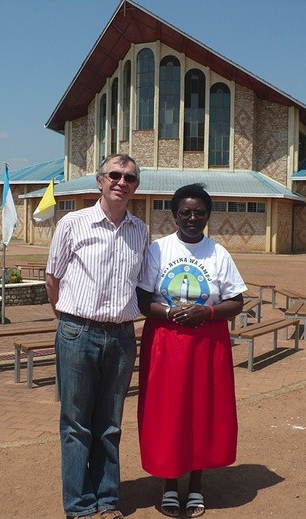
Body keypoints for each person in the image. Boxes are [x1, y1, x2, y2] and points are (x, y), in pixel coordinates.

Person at [45, 153, 148, 519]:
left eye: (130, 178)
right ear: (99, 181)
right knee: (75, 422)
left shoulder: (140, 230)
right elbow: (52, 278)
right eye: (115, 175)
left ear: (136, 187)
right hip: (78, 331)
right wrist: (68, 320)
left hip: (121, 336)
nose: (122, 182)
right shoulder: (73, 223)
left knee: (110, 422)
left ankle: (107, 499)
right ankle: (80, 506)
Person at [136, 183, 247, 518]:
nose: (192, 218)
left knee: (202, 412)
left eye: (199, 212)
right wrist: (170, 312)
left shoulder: (218, 253)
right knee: (169, 412)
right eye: (185, 212)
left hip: (207, 344)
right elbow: (143, 301)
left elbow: (237, 301)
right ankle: (170, 484)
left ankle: (196, 485)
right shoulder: (158, 250)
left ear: (208, 215)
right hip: (166, 345)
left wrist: (208, 312)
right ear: (174, 215)